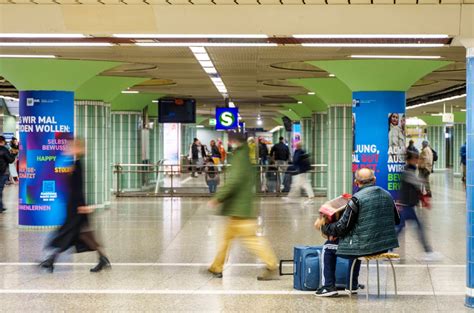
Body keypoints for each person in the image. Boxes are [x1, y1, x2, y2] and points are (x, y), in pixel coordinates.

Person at [314, 168, 400, 297]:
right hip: (384, 247)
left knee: (328, 247)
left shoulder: (356, 199)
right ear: (374, 180)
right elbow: (396, 220)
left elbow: (342, 227)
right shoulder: (388, 195)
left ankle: (328, 287)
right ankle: (352, 284)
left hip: (365, 247)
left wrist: (324, 227)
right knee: (357, 242)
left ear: (356, 182)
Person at [206, 134, 279, 280]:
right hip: (239, 206)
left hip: (239, 207)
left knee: (251, 239)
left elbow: (234, 180)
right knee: (226, 238)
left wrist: (219, 198)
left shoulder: (240, 157)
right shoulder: (245, 155)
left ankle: (271, 265)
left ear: (233, 141)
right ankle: (216, 267)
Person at [39, 139, 111, 273]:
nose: (68, 149)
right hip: (75, 206)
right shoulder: (76, 163)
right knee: (82, 235)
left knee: (66, 234)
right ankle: (102, 259)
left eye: (72, 147)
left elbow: (78, 188)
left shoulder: (78, 164)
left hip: (76, 207)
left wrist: (81, 206)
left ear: (78, 149)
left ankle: (50, 260)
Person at [398, 152, 441, 261]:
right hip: (406, 206)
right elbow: (418, 184)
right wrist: (424, 198)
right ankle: (428, 251)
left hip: (408, 205)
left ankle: (428, 251)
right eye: (416, 159)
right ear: (410, 159)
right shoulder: (408, 171)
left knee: (402, 228)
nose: (417, 161)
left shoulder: (409, 170)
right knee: (403, 228)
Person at [0, 136, 15, 213]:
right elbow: (10, 160)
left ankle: (1, 206)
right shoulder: (4, 150)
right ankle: (0, 207)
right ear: (2, 141)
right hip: (3, 173)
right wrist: (13, 154)